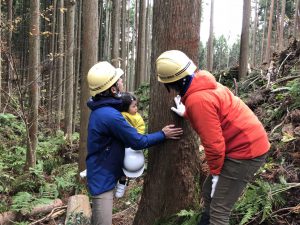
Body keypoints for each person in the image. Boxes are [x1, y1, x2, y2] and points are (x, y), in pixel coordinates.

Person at [155, 50, 270, 225]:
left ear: (172, 83)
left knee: (219, 211)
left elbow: (214, 144)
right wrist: (187, 112)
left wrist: (216, 174)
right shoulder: (204, 83)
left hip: (246, 151)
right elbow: (214, 114)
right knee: (208, 190)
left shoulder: (197, 100)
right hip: (244, 143)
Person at [86, 61, 183, 225]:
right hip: (102, 181)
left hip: (101, 174)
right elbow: (137, 141)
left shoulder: (102, 110)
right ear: (113, 89)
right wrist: (162, 134)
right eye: (119, 81)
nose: (122, 82)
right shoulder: (110, 116)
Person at [114, 92, 146, 198]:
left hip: (133, 144)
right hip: (122, 144)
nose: (136, 108)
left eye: (136, 105)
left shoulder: (136, 117)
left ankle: (122, 182)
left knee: (128, 164)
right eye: (133, 106)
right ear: (125, 107)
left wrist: (136, 134)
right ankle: (118, 181)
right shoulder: (121, 116)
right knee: (119, 164)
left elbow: (140, 128)